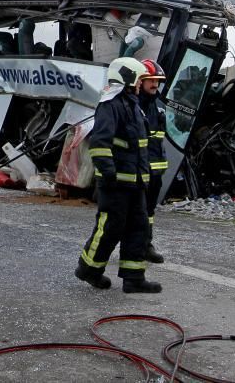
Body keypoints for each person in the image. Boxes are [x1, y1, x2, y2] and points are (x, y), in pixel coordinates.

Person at [75, 57, 160, 294]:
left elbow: (139, 146)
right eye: (140, 78)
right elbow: (100, 143)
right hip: (116, 183)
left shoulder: (133, 104)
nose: (141, 83)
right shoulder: (109, 105)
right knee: (110, 228)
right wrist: (108, 174)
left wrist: (145, 176)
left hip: (135, 183)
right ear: (128, 78)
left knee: (138, 228)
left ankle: (134, 279)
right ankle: (88, 269)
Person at [139, 59, 167, 264]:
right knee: (132, 211)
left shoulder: (158, 107)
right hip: (138, 171)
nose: (155, 84)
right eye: (151, 80)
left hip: (154, 171)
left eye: (157, 80)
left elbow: (158, 141)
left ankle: (145, 245)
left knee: (148, 212)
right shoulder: (132, 105)